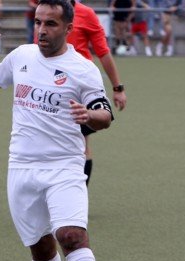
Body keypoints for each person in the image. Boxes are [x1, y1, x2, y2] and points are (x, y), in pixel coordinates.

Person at [0, 0, 113, 261]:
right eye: (38, 22)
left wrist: (89, 116)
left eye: (51, 24)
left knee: (71, 234)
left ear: (68, 28)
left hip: (64, 166)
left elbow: (105, 114)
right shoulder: (21, 56)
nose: (42, 30)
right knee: (39, 245)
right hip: (21, 167)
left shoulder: (82, 69)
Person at [35, 0, 127, 185]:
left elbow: (103, 51)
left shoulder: (86, 14)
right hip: (49, 86)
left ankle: (77, 194)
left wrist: (117, 88)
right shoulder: (46, 12)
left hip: (77, 87)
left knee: (80, 144)